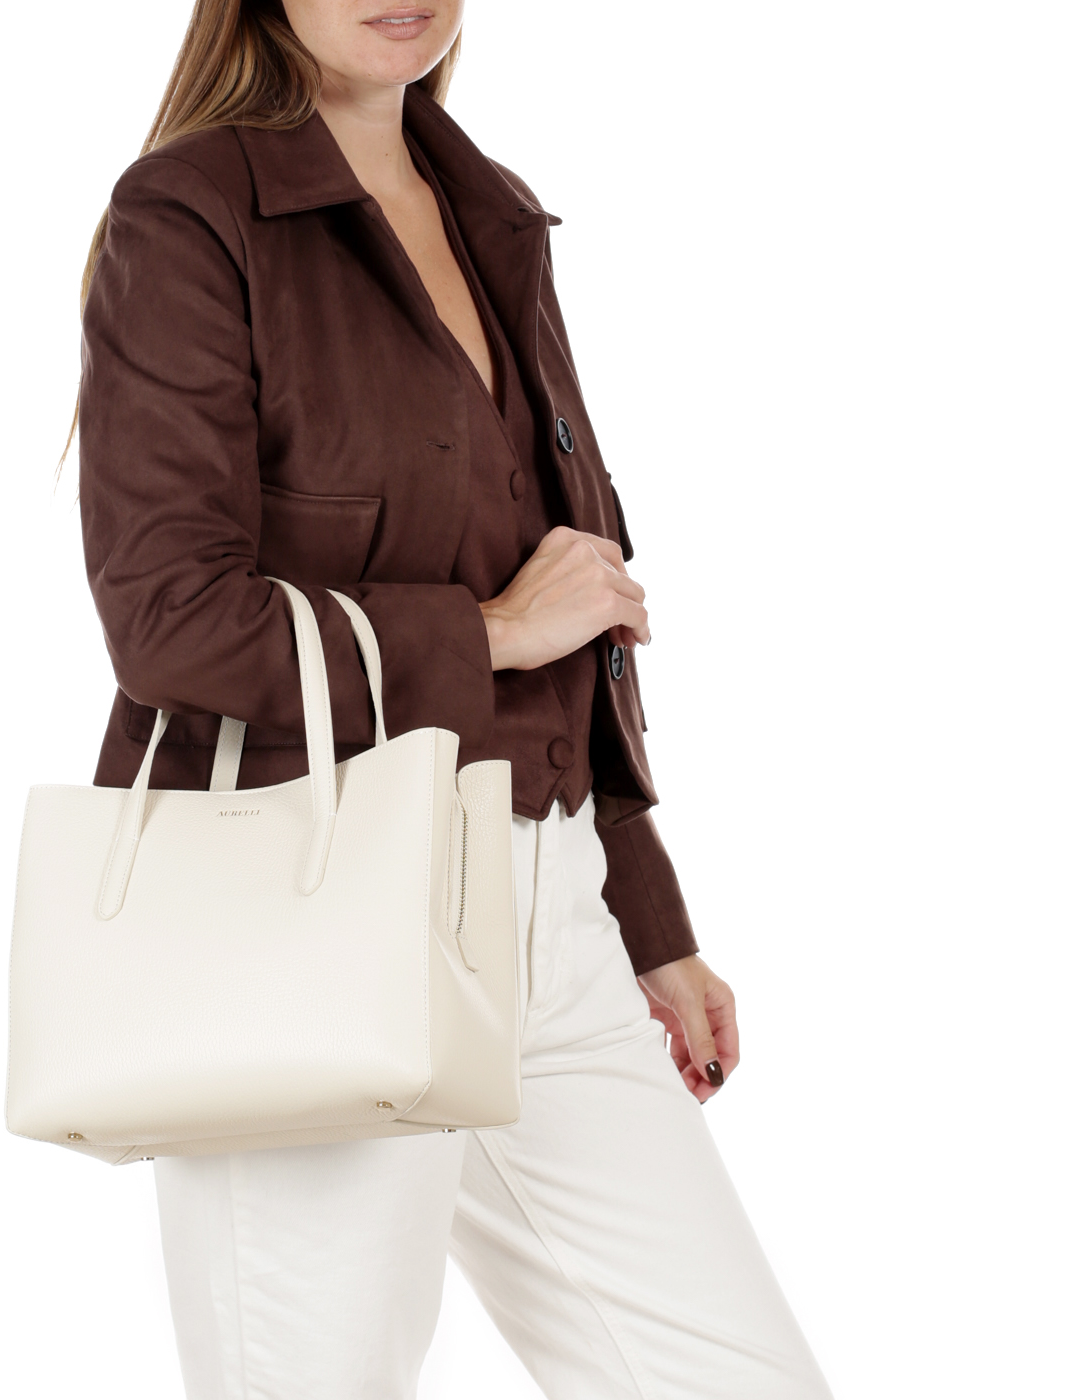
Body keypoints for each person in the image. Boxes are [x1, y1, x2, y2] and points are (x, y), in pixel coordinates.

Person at [73, 2, 832, 1395]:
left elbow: (573, 589)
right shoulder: (190, 213)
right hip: (310, 904)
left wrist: (645, 915)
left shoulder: (489, 211)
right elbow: (168, 621)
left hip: (547, 899)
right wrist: (490, 632)